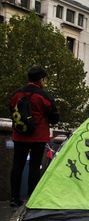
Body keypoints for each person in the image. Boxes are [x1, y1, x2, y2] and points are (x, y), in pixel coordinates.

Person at [9, 66, 59, 207]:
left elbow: (12, 112)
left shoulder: (16, 94)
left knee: (17, 165)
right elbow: (54, 117)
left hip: (19, 136)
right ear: (41, 80)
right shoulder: (44, 96)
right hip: (38, 136)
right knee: (34, 166)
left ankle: (14, 198)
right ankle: (31, 197)